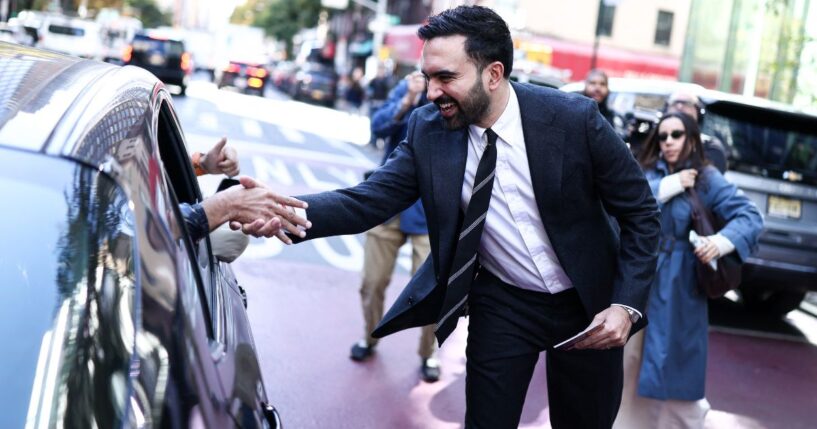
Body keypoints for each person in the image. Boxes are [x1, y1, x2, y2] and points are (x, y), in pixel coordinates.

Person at [240, 6, 660, 428]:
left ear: (493, 74)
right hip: (504, 303)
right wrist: (280, 211)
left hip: (589, 305)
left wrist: (625, 306)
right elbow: (366, 200)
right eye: (427, 77)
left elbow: (641, 213)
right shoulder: (428, 130)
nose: (431, 92)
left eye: (445, 78)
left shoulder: (575, 120)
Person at [615, 112, 762, 428]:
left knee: (680, 369)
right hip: (641, 278)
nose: (668, 142)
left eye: (677, 134)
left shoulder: (706, 178)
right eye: (663, 135)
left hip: (682, 286)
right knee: (629, 365)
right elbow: (622, 205)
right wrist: (666, 186)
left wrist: (720, 242)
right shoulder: (646, 172)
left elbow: (750, 217)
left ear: (691, 138)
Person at [350, 71, 439, 382]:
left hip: (429, 212)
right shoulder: (407, 85)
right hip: (387, 208)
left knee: (431, 291)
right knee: (372, 283)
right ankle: (369, 337)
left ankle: (429, 353)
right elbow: (378, 126)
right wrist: (407, 100)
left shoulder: (454, 91)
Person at [665, 90, 729, 173]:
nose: (679, 106)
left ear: (698, 112)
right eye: (674, 103)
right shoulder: (652, 144)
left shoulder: (711, 148)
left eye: (687, 103)